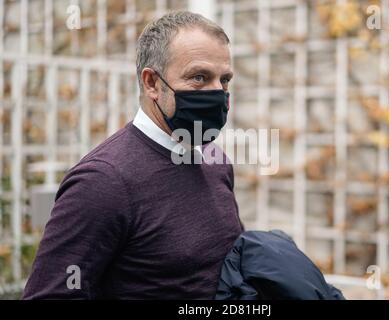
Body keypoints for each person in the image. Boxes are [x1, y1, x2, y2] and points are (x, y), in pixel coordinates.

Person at [23, 11, 244, 300]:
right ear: (152, 83)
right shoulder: (102, 181)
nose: (217, 92)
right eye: (199, 77)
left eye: (224, 80)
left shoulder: (215, 161)